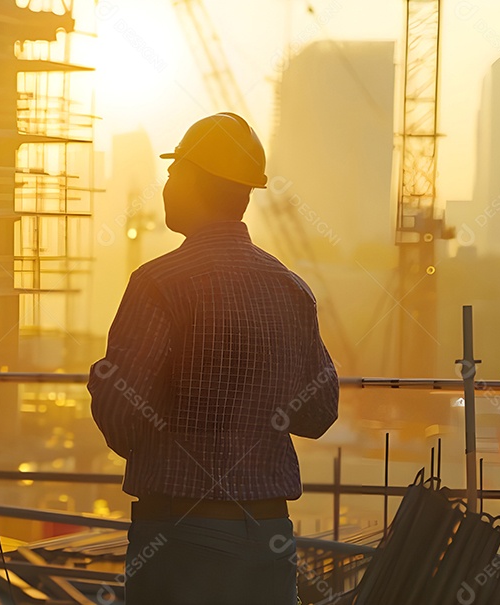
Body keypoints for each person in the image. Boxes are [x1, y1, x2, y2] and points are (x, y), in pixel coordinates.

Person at [88, 112, 339, 604]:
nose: (164, 185)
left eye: (173, 171)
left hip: (181, 541)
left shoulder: (160, 284)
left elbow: (122, 421)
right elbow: (318, 413)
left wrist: (105, 377)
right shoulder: (291, 289)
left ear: (194, 180)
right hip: (269, 539)